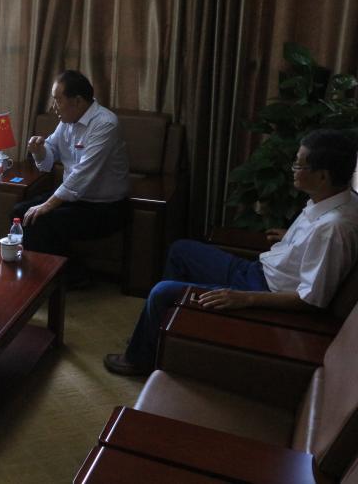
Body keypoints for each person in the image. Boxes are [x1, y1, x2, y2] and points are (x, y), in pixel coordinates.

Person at [104, 129, 358, 376]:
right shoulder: (337, 200)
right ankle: (160, 338)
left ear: (322, 176)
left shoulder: (332, 229)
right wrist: (295, 238)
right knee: (181, 250)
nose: (293, 169)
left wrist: (245, 299)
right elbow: (315, 246)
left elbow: (310, 301)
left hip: (263, 290)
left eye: (299, 165)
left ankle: (139, 359)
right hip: (257, 272)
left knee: (162, 292)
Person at [12, 69, 130, 285]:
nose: (53, 107)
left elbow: (82, 175)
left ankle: (69, 278)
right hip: (75, 200)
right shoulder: (67, 121)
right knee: (20, 211)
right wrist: (39, 150)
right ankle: (48, 275)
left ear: (77, 101)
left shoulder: (105, 124)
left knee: (41, 220)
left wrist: (47, 205)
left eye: (58, 100)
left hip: (105, 207)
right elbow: (48, 159)